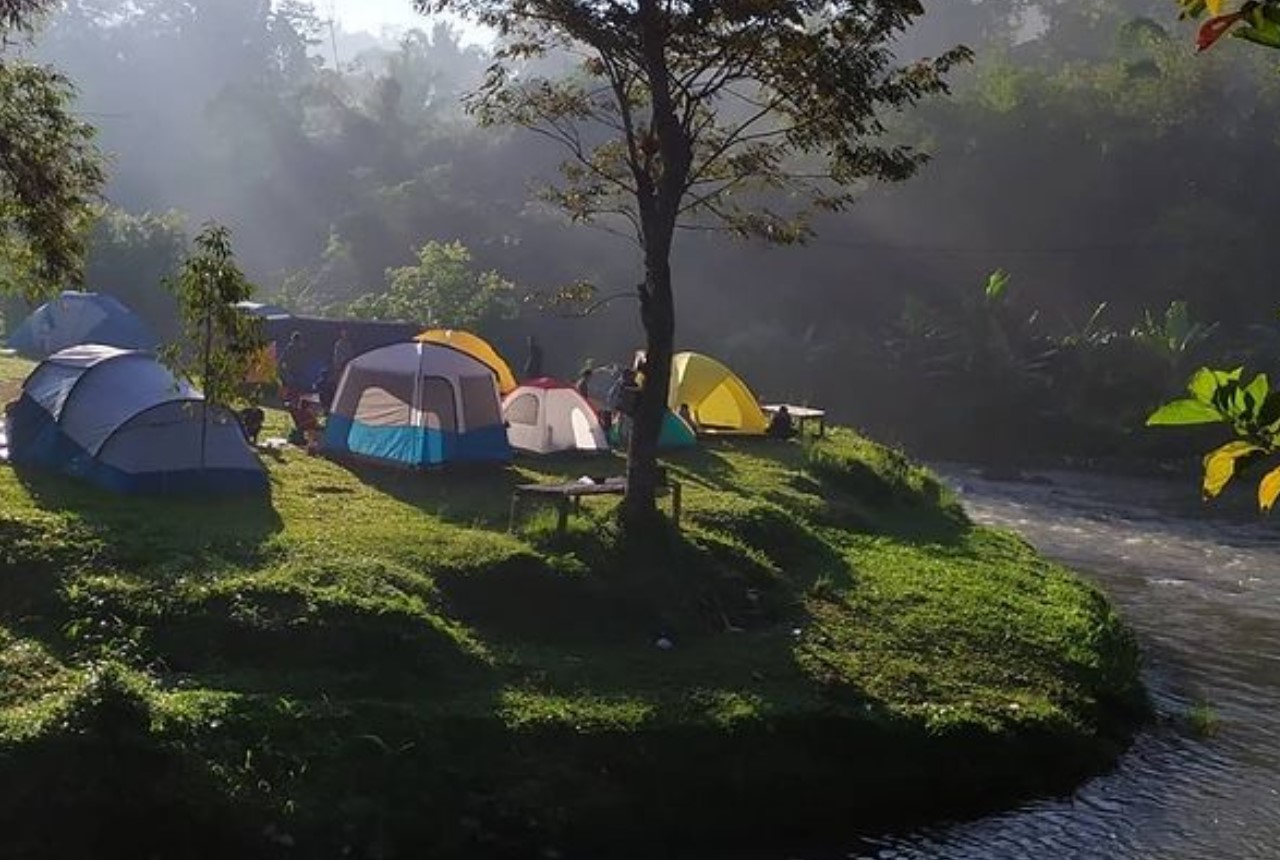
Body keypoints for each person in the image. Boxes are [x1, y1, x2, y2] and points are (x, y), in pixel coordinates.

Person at [279, 331, 306, 399]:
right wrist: (285, 368)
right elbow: (283, 359)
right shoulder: (289, 348)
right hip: (290, 369)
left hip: (295, 369)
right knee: (287, 384)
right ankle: (285, 397)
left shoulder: (299, 348)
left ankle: (291, 397)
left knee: (293, 384)